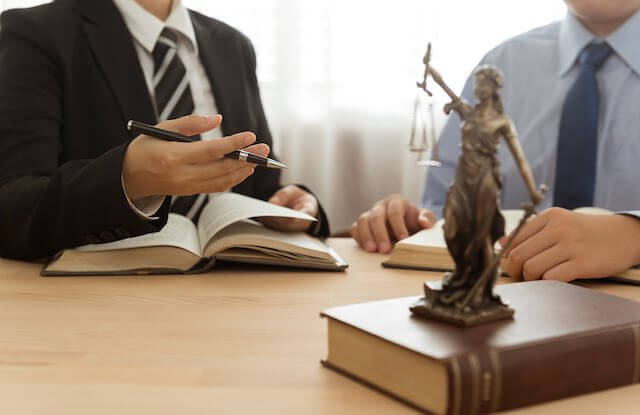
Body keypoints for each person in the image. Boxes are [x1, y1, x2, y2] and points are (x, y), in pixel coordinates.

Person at [0, 0, 329, 260]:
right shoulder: (35, 34)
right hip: (105, 304)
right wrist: (125, 179)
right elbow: (11, 206)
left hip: (237, 288)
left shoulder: (233, 45)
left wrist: (288, 205)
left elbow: (259, 184)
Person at [351, 0, 640, 282]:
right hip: (513, 298)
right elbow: (447, 205)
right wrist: (416, 224)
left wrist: (633, 235)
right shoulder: (501, 66)